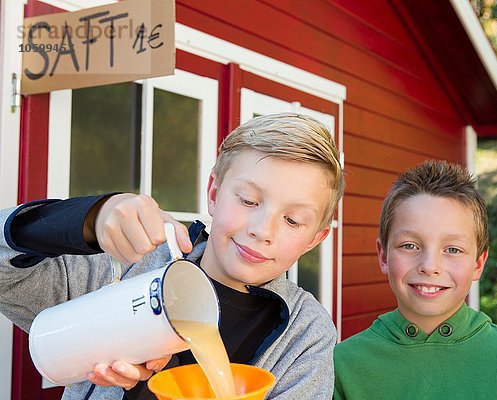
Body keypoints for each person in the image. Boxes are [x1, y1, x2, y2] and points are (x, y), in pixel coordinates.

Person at [0, 113, 344, 400]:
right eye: (249, 201)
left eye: (292, 220)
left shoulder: (307, 334)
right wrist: (86, 220)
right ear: (213, 192)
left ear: (315, 238)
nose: (262, 230)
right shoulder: (128, 266)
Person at [333, 160, 497, 400]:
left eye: (453, 250)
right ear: (384, 256)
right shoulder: (341, 365)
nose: (429, 266)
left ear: (478, 263)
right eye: (410, 245)